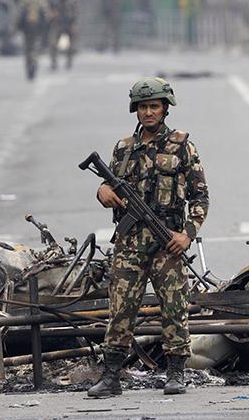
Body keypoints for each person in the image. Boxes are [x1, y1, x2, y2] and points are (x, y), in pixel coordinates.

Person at [87, 77, 210, 398]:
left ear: (165, 108)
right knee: (120, 309)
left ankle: (176, 373)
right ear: (135, 110)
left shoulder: (182, 146)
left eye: (154, 106)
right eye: (143, 107)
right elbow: (109, 184)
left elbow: (200, 198)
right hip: (129, 244)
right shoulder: (124, 148)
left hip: (167, 243)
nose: (148, 112)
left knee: (174, 307)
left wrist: (187, 235)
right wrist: (102, 191)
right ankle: (111, 376)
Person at [15, 0, 51, 80]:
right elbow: (46, 15)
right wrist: (46, 28)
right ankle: (34, 61)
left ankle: (29, 64)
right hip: (38, 28)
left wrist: (17, 27)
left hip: (27, 28)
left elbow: (19, 14)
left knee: (28, 47)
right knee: (36, 46)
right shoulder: (41, 0)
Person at [49, 0, 79, 70]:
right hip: (58, 24)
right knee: (53, 43)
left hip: (69, 24)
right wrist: (53, 18)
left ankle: (69, 61)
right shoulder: (55, 0)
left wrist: (74, 24)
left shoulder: (72, 0)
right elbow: (51, 12)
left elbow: (76, 13)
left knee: (71, 44)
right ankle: (54, 62)